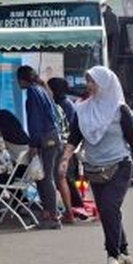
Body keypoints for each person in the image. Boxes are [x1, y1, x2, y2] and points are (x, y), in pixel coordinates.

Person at [63, 66, 133, 264]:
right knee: (110, 211)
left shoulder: (120, 110)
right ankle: (124, 249)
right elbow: (74, 137)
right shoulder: (82, 109)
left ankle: (113, 256)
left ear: (105, 84)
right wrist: (64, 159)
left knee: (107, 208)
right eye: (87, 80)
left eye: (92, 81)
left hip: (120, 165)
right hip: (94, 167)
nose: (88, 85)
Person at [18, 65, 63, 229]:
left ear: (22, 79)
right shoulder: (42, 89)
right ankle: (49, 213)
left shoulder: (32, 92)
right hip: (53, 136)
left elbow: (34, 121)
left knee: (45, 177)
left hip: (45, 138)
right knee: (46, 176)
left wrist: (34, 144)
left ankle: (52, 215)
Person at [47, 77, 86, 223]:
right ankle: (75, 206)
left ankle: (76, 207)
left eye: (49, 87)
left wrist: (70, 148)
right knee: (66, 178)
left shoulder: (65, 105)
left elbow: (71, 127)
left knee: (66, 177)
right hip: (67, 145)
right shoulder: (61, 103)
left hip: (67, 145)